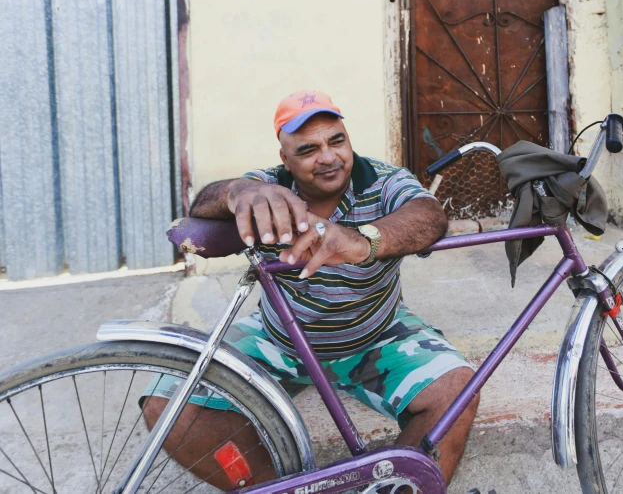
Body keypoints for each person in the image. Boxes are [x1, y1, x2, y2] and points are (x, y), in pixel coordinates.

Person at [142, 90, 479, 490]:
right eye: (308, 149)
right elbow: (197, 213)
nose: (328, 157)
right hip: (279, 340)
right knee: (169, 406)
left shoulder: (386, 181)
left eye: (336, 140)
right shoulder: (268, 189)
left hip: (376, 336)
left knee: (457, 392)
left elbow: (429, 216)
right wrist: (238, 192)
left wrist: (362, 240)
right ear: (285, 160)